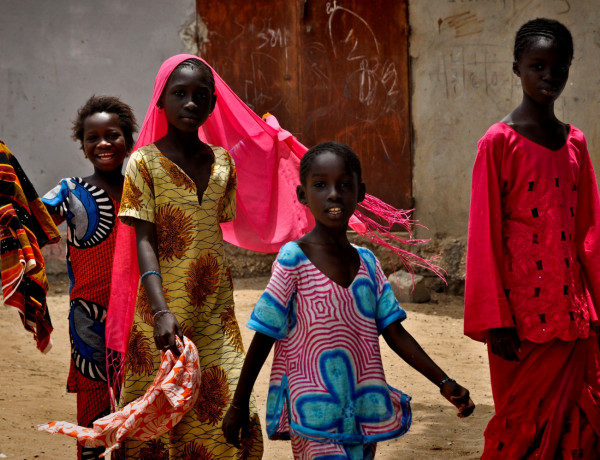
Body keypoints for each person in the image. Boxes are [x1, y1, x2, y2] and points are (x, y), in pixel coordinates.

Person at [222, 141, 475, 459]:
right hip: (313, 412)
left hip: (361, 412)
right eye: (320, 185)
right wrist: (239, 403)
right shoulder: (293, 260)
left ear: (360, 192)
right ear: (303, 195)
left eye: (344, 185)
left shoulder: (368, 263)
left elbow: (395, 332)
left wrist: (443, 381)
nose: (333, 194)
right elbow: (265, 335)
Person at [115, 56, 264, 458]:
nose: (191, 103)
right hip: (161, 312)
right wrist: (161, 311)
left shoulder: (222, 164)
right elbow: (144, 239)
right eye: (179, 94)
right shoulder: (144, 164)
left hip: (216, 308)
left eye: (201, 96)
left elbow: (218, 223)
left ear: (213, 104)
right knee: (159, 410)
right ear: (160, 101)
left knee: (232, 404)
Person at [464, 18, 600, 458]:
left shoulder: (576, 143)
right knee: (521, 429)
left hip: (572, 314)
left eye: (558, 67)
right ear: (517, 68)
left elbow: (589, 233)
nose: (549, 76)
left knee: (578, 427)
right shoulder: (498, 142)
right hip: (519, 323)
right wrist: (495, 319)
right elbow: (484, 236)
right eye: (537, 65)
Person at [41, 95, 137, 460]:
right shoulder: (70, 191)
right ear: (82, 147)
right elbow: (34, 220)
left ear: (128, 140)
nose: (103, 144)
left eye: (112, 135)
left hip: (139, 317)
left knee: (141, 403)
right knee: (95, 413)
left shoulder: (142, 191)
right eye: (92, 138)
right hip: (90, 320)